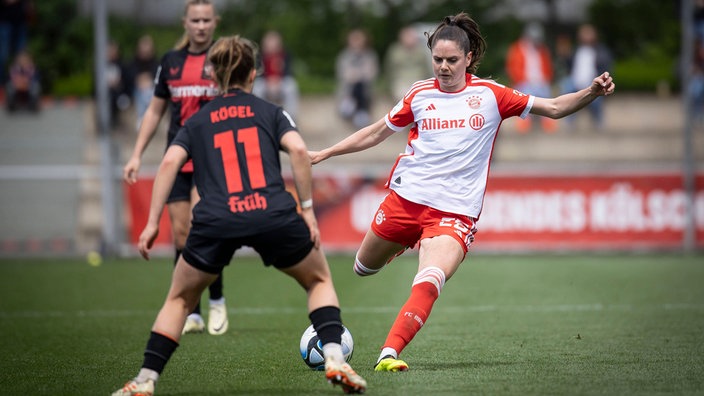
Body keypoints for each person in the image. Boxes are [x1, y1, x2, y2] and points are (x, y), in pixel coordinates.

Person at [309, 12, 615, 372]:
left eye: (451, 60)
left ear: (468, 58)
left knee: (429, 280)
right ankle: (407, 242)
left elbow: (554, 107)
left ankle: (388, 354)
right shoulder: (419, 94)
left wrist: (591, 92)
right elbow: (376, 132)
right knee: (362, 268)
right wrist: (326, 153)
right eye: (437, 59)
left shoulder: (490, 95)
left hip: (454, 213)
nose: (443, 66)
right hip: (404, 202)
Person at [111, 34, 367, 396]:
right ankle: (335, 358)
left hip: (217, 218)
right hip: (273, 214)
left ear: (213, 78)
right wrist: (307, 210)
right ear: (254, 75)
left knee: (180, 299)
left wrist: (153, 222)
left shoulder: (198, 120)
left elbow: (169, 161)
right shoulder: (271, 112)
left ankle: (145, 381)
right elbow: (297, 150)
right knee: (318, 280)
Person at [122, 0, 227, 336]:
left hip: (212, 157)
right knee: (181, 234)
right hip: (178, 156)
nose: (200, 25)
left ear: (215, 22)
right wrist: (137, 153)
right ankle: (191, 310)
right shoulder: (170, 62)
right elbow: (154, 111)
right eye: (195, 19)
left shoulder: (223, 59)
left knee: (205, 226)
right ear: (185, 22)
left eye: (206, 20)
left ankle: (217, 300)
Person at [505, 22, 556, 132]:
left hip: (541, 83)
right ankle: (524, 123)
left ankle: (548, 123)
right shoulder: (517, 49)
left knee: (546, 94)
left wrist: (544, 80)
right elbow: (512, 68)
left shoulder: (542, 50)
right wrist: (523, 80)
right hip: (524, 83)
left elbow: (548, 68)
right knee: (526, 95)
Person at [568, 23, 613, 130]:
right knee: (567, 92)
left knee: (595, 98)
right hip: (575, 82)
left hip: (593, 82)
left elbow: (605, 68)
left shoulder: (601, 51)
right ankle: (569, 122)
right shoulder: (576, 50)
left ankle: (598, 122)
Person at [336, 28, 379, 129]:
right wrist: (359, 74)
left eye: (359, 39)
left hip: (365, 89)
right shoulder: (344, 56)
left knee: (361, 84)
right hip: (347, 89)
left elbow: (371, 74)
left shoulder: (370, 55)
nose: (356, 42)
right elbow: (344, 75)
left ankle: (356, 107)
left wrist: (357, 74)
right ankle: (359, 109)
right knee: (357, 83)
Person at [252, 29, 299, 119]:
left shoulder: (285, 55)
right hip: (266, 83)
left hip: (281, 82)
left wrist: (277, 81)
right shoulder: (260, 56)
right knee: (257, 87)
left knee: (291, 86)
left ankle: (291, 119)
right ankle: (259, 117)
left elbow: (289, 71)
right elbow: (257, 73)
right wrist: (269, 82)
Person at [384, 25, 432, 103]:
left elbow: (427, 69)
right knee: (402, 96)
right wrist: (390, 85)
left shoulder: (421, 51)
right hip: (401, 82)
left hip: (418, 81)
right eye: (407, 36)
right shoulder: (395, 51)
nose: (410, 39)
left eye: (411, 36)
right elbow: (389, 69)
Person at [127, 34, 160, 129]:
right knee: (143, 92)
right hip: (136, 90)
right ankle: (143, 117)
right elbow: (130, 76)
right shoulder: (133, 62)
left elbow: (158, 76)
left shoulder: (156, 63)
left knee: (148, 92)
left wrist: (149, 80)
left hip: (151, 90)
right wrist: (139, 80)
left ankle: (145, 118)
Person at [106, 40, 131, 128]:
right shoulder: (102, 65)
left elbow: (128, 83)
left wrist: (119, 84)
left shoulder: (123, 65)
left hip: (121, 94)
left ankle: (114, 121)